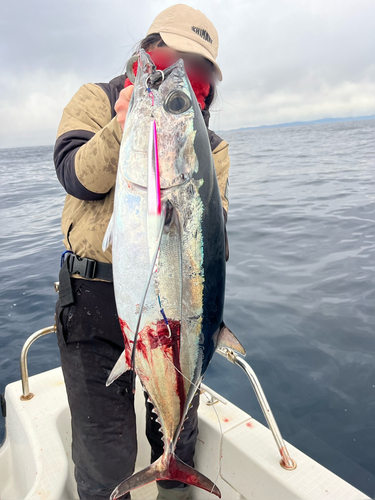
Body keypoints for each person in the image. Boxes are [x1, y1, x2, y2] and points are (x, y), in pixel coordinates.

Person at [54, 4, 230, 500]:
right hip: (91, 302)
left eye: (197, 67)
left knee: (179, 443)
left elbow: (209, 242)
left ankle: (172, 465)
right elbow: (75, 175)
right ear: (147, 50)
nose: (180, 71)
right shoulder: (97, 99)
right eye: (170, 56)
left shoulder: (211, 148)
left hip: (174, 313)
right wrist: (125, 127)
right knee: (104, 457)